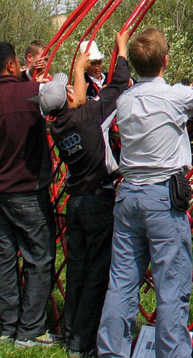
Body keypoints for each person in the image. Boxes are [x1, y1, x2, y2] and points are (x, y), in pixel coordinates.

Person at [97, 28, 193, 358]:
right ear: (166, 60)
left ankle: (111, 353)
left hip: (128, 195)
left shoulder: (125, 100)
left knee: (121, 282)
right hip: (162, 198)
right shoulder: (174, 96)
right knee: (171, 284)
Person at [0, 42, 57, 347]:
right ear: (11, 66)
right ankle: (31, 330)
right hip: (29, 190)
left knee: (4, 257)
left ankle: (7, 327)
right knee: (38, 257)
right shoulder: (30, 93)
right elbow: (58, 96)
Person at [44, 32, 130, 356]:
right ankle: (82, 343)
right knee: (97, 273)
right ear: (69, 100)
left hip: (75, 202)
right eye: (69, 90)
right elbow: (119, 84)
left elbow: (79, 96)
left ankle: (68, 334)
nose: (73, 88)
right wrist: (121, 50)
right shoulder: (88, 117)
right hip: (97, 201)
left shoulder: (59, 125)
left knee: (77, 270)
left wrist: (78, 68)